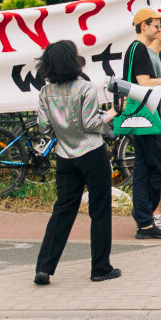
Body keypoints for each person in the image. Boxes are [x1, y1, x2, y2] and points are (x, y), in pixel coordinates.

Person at [33, 41, 120, 284]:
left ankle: (44, 268)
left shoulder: (45, 92)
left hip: (65, 156)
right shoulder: (86, 88)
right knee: (100, 210)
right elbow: (91, 123)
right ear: (73, 60)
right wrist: (110, 121)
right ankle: (100, 268)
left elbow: (44, 128)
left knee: (62, 211)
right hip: (92, 152)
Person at [121, 9, 161, 239]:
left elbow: (145, 88)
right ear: (143, 26)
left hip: (141, 117)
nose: (160, 29)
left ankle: (145, 222)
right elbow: (145, 84)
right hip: (147, 119)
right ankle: (145, 216)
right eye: (156, 25)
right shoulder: (139, 50)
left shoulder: (134, 49)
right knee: (159, 168)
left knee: (143, 169)